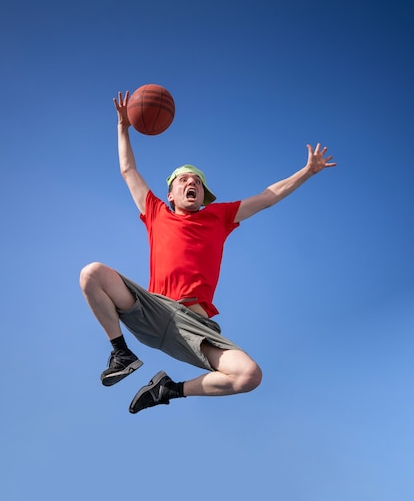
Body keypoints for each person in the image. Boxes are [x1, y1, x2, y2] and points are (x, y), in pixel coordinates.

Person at [79, 91, 336, 414]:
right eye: (184, 180)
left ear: (203, 195)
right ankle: (121, 353)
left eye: (198, 182)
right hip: (153, 310)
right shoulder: (157, 212)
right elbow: (129, 171)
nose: (192, 183)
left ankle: (168, 389)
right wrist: (123, 128)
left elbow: (268, 197)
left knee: (248, 376)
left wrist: (307, 172)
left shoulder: (220, 216)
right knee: (92, 274)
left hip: (194, 326)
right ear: (170, 193)